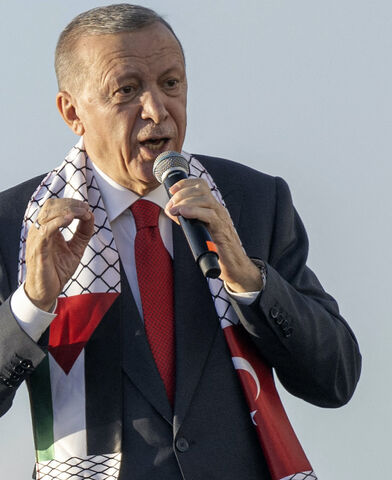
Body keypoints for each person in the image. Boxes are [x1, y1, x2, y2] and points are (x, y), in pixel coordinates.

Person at [0, 4, 361, 480]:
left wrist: (249, 280)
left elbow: (334, 379)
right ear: (73, 112)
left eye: (171, 83)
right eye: (127, 90)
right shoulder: (19, 224)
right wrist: (32, 304)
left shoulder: (251, 201)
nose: (156, 109)